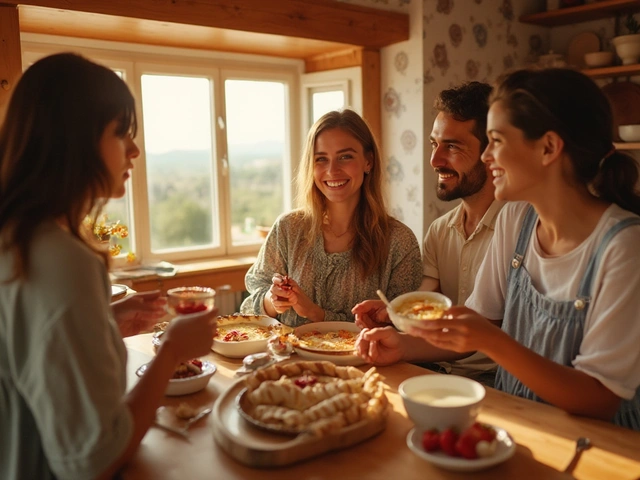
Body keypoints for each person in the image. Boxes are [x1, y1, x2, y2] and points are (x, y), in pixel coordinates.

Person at [0, 52, 217, 480]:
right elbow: (96, 459)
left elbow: (29, 353)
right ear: (72, 141)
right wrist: (172, 348)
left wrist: (103, 321)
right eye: (121, 133)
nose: (134, 149)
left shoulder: (16, 240)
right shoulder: (65, 262)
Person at [412, 68, 640, 430]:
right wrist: (398, 340)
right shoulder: (515, 219)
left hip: (602, 446)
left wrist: (492, 341)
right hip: (518, 425)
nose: (488, 158)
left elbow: (600, 398)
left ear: (548, 147)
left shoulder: (623, 246)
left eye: (497, 141)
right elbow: (480, 321)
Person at [353, 82, 503, 385]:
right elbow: (426, 308)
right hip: (438, 369)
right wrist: (392, 313)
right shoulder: (439, 231)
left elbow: (481, 330)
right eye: (435, 144)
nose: (435, 160)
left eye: (453, 146)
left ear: (491, 152)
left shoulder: (518, 229)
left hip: (495, 381)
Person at [240, 109, 422, 327]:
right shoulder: (288, 229)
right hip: (288, 360)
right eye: (321, 159)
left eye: (345, 157)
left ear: (368, 161)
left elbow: (404, 329)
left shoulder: (399, 241)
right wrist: (273, 300)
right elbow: (247, 311)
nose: (332, 170)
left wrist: (317, 314)